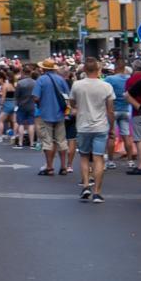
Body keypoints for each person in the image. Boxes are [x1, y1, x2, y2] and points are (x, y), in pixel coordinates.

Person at [68, 58, 116, 203]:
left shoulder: (77, 85)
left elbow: (72, 103)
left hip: (83, 126)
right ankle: (97, 192)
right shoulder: (106, 86)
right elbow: (110, 110)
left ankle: (86, 186)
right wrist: (112, 127)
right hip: (101, 126)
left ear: (84, 70)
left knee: (83, 157)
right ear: (98, 69)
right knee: (98, 158)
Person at [34, 59, 73, 177]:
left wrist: (42, 103)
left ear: (44, 68)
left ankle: (50, 167)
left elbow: (35, 97)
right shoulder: (61, 79)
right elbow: (68, 97)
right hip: (60, 114)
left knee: (48, 141)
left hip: (45, 114)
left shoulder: (41, 80)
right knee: (62, 141)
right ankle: (63, 167)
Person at [12, 65, 38, 150]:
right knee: (31, 124)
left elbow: (16, 95)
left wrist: (16, 105)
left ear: (23, 72)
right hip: (31, 105)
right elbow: (36, 95)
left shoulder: (20, 83)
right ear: (30, 73)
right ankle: (31, 143)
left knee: (21, 124)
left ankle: (20, 143)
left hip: (21, 105)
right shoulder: (35, 82)